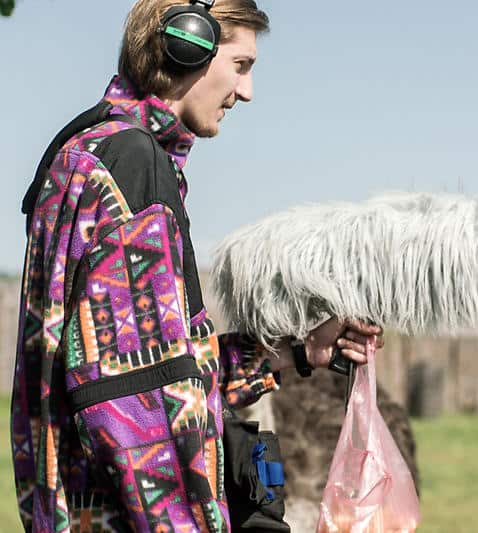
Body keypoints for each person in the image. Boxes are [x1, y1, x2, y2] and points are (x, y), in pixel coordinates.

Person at [11, 1, 382, 531]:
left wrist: (302, 350)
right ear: (187, 46)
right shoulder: (133, 168)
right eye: (241, 64)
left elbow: (160, 369)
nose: (247, 91)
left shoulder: (90, 153)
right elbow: (133, 405)